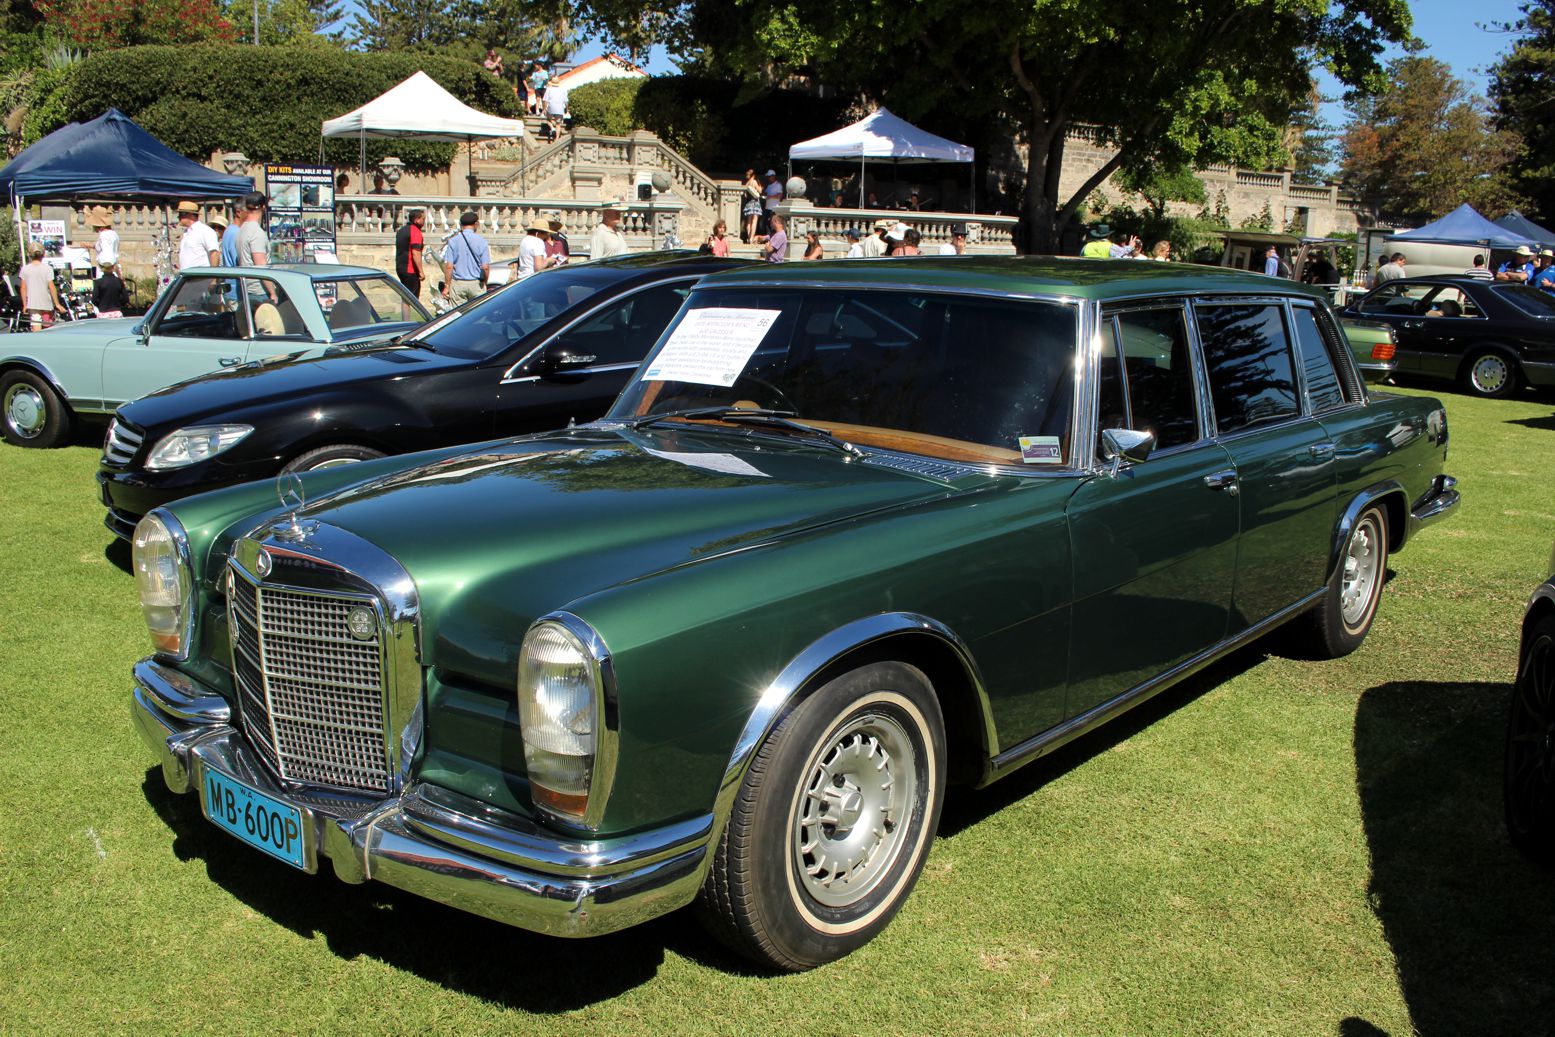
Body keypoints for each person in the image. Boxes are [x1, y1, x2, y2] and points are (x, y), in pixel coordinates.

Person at [441, 211, 490, 305]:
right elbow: (486, 267)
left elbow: (449, 266)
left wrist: (447, 286)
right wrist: (485, 282)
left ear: (461, 225)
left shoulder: (453, 241)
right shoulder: (482, 241)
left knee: (458, 312)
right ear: (476, 224)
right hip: (476, 283)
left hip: (458, 283)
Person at [19, 243, 64, 329]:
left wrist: (25, 305)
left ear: (29, 254)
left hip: (32, 303)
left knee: (36, 325)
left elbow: (23, 288)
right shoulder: (48, 268)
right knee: (48, 326)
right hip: (46, 302)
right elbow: (52, 287)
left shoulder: (25, 269)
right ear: (43, 254)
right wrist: (57, 304)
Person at [175, 200, 220, 270]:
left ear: (190, 215)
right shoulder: (186, 233)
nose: (178, 217)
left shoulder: (205, 231)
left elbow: (214, 253)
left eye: (181, 214)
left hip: (201, 276)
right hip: (187, 275)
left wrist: (214, 275)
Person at [394, 208, 426, 298]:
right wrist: (421, 271)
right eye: (423, 219)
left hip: (401, 268)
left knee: (405, 297)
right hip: (410, 270)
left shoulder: (401, 231)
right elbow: (416, 252)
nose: (424, 221)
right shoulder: (415, 232)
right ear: (417, 220)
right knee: (411, 298)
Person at [81, 205, 119, 274]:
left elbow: (107, 255)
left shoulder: (104, 235)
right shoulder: (113, 233)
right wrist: (89, 245)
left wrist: (107, 269)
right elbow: (102, 247)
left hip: (106, 270)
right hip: (112, 267)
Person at [741, 169, 762, 243]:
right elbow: (760, 191)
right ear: (754, 175)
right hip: (755, 202)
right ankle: (751, 238)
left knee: (748, 222)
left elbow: (745, 195)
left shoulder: (747, 183)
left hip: (749, 203)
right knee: (754, 221)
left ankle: (748, 237)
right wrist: (760, 186)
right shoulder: (754, 182)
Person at [761, 169, 783, 234]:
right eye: (768, 177)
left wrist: (770, 197)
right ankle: (768, 236)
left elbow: (780, 195)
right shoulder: (769, 186)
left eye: (769, 176)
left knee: (773, 223)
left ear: (773, 176)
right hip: (767, 207)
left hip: (774, 207)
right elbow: (766, 194)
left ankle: (773, 236)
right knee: (766, 223)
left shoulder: (778, 185)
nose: (768, 178)